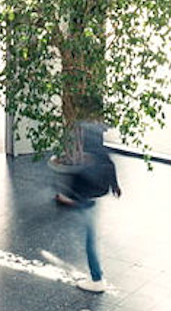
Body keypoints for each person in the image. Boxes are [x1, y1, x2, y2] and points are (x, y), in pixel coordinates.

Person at [55, 121, 121, 293]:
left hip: (86, 201)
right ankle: (96, 276)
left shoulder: (86, 159)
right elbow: (111, 167)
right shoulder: (101, 153)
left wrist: (68, 197)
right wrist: (115, 186)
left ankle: (97, 278)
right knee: (88, 238)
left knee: (89, 241)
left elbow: (78, 182)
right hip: (93, 199)